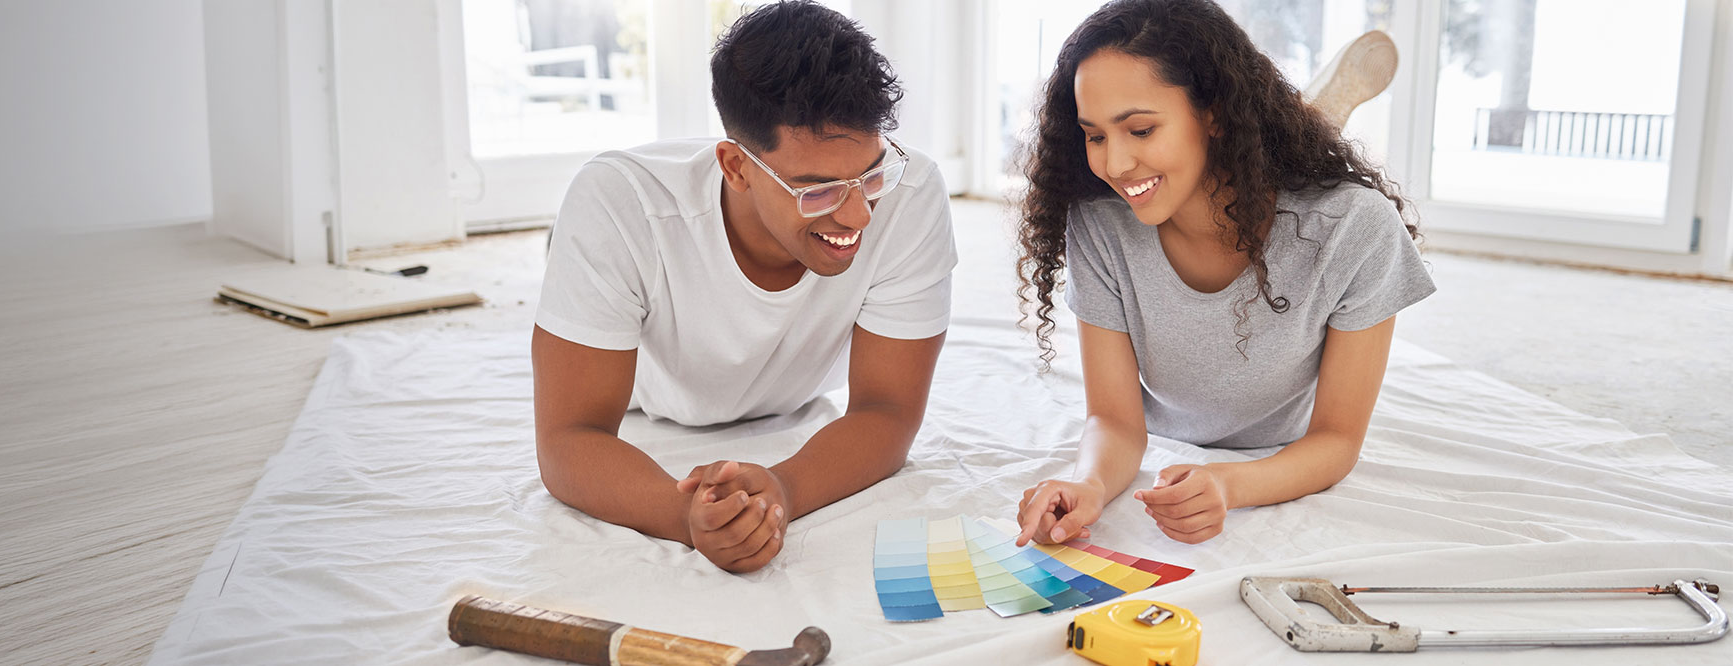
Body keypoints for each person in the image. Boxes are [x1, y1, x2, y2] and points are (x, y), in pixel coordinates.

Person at [532, 1, 956, 573]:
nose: (858, 215)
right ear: (734, 166)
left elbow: (888, 410)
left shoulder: (910, 191)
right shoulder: (618, 202)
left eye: (871, 174)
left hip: (793, 397)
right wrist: (682, 515)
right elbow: (567, 438)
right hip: (649, 401)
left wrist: (783, 489)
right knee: (587, 259)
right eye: (820, 189)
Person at [1010, 0, 1434, 547]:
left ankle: (1313, 114)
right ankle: (1306, 113)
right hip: (1232, 156)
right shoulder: (1101, 222)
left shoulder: (1354, 226)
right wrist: (1087, 484)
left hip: (1283, 429)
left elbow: (1336, 439)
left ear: (1213, 113)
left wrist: (1231, 484)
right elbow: (1114, 420)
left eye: (1139, 130)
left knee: (1305, 194)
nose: (1114, 165)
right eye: (1095, 136)